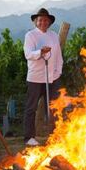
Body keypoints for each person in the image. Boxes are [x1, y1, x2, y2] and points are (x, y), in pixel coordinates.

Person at [23, 8, 63, 146]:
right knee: (31, 108)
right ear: (36, 21)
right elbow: (28, 54)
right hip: (35, 77)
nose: (43, 22)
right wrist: (40, 52)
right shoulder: (30, 35)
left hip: (52, 77)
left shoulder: (54, 36)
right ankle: (29, 137)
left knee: (53, 107)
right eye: (40, 20)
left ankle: (54, 135)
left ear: (49, 22)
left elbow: (58, 56)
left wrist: (58, 72)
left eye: (45, 20)